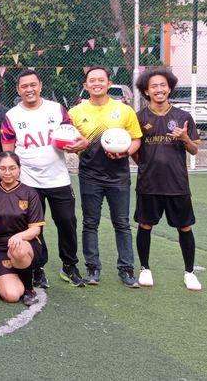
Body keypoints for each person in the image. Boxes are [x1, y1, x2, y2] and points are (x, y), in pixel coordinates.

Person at [1, 69, 84, 288]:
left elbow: (74, 138)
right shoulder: (11, 115)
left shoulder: (56, 109)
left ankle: (70, 265)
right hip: (28, 182)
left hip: (58, 179)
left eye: (33, 85)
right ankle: (38, 268)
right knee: (34, 226)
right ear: (18, 89)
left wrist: (80, 144)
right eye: (24, 86)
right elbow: (8, 152)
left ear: (40, 86)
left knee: (67, 223)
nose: (29, 89)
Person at [68, 67, 142, 287]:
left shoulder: (124, 110)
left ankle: (126, 270)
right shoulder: (75, 113)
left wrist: (126, 152)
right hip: (89, 175)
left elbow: (136, 139)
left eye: (101, 80)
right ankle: (92, 268)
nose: (97, 83)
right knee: (90, 223)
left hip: (118, 176)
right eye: (92, 80)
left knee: (122, 223)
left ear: (109, 83)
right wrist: (73, 147)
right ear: (85, 85)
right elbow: (67, 139)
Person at [133, 69, 201, 291]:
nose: (159, 89)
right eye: (154, 86)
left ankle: (189, 272)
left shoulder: (183, 117)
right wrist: (145, 165)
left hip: (177, 184)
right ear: (146, 90)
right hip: (149, 184)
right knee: (145, 225)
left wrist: (184, 138)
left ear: (169, 88)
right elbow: (135, 149)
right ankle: (145, 269)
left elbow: (193, 150)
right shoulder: (140, 117)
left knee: (184, 227)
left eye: (163, 85)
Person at [0, 152, 44, 306]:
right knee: (11, 296)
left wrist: (20, 236)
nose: (7, 173)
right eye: (3, 168)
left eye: (12, 168)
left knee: (17, 249)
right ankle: (11, 275)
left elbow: (35, 229)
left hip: (26, 244)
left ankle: (28, 288)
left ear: (19, 168)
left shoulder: (30, 193)